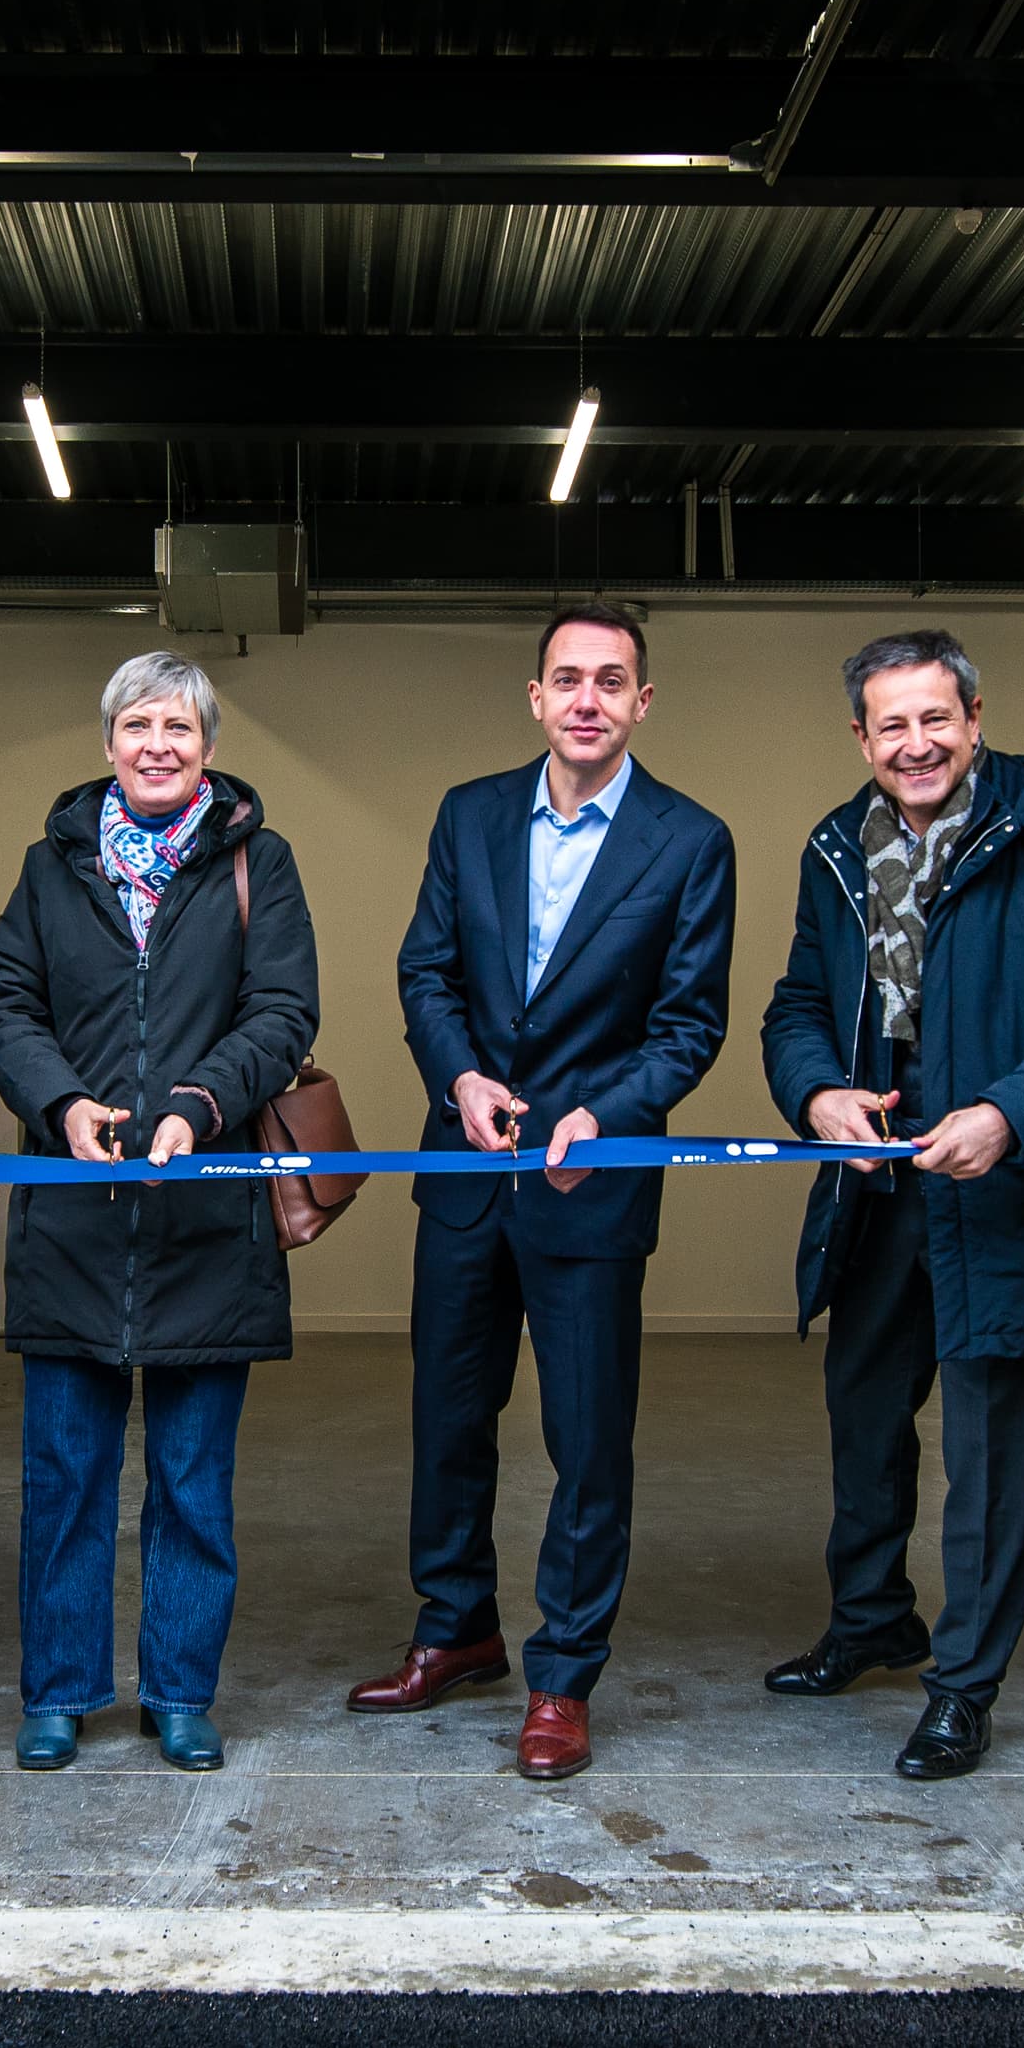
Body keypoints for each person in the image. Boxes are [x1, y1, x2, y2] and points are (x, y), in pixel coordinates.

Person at [758, 628, 1024, 1781]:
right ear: (862, 736)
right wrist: (817, 1091)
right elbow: (795, 1004)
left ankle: (963, 1686)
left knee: (989, 1456)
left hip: (1007, 1191)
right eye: (893, 723)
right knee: (864, 1415)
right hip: (879, 1188)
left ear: (976, 718)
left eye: (937, 718)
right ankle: (873, 1617)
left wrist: (1006, 1114)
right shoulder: (838, 848)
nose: (916, 741)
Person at [353, 603, 734, 1782]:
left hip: (590, 1183)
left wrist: (605, 1114)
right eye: (566, 677)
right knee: (450, 1420)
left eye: (610, 681)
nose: (586, 698)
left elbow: (689, 1024)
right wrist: (460, 1073)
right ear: (534, 695)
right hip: (466, 1169)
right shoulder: (469, 814)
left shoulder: (691, 839)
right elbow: (424, 969)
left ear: (641, 703)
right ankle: (456, 1627)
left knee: (586, 1439)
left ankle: (563, 1673)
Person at [0, 651, 320, 1776]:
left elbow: (283, 1008)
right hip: (72, 1229)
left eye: (178, 726)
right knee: (63, 1477)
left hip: (206, 1231)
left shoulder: (257, 863)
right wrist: (63, 1102)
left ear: (209, 745)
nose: (157, 744)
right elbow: (4, 1001)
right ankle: (60, 1691)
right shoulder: (49, 866)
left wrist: (197, 1104)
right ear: (108, 741)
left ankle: (179, 1691)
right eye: (137, 725)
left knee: (191, 1485)